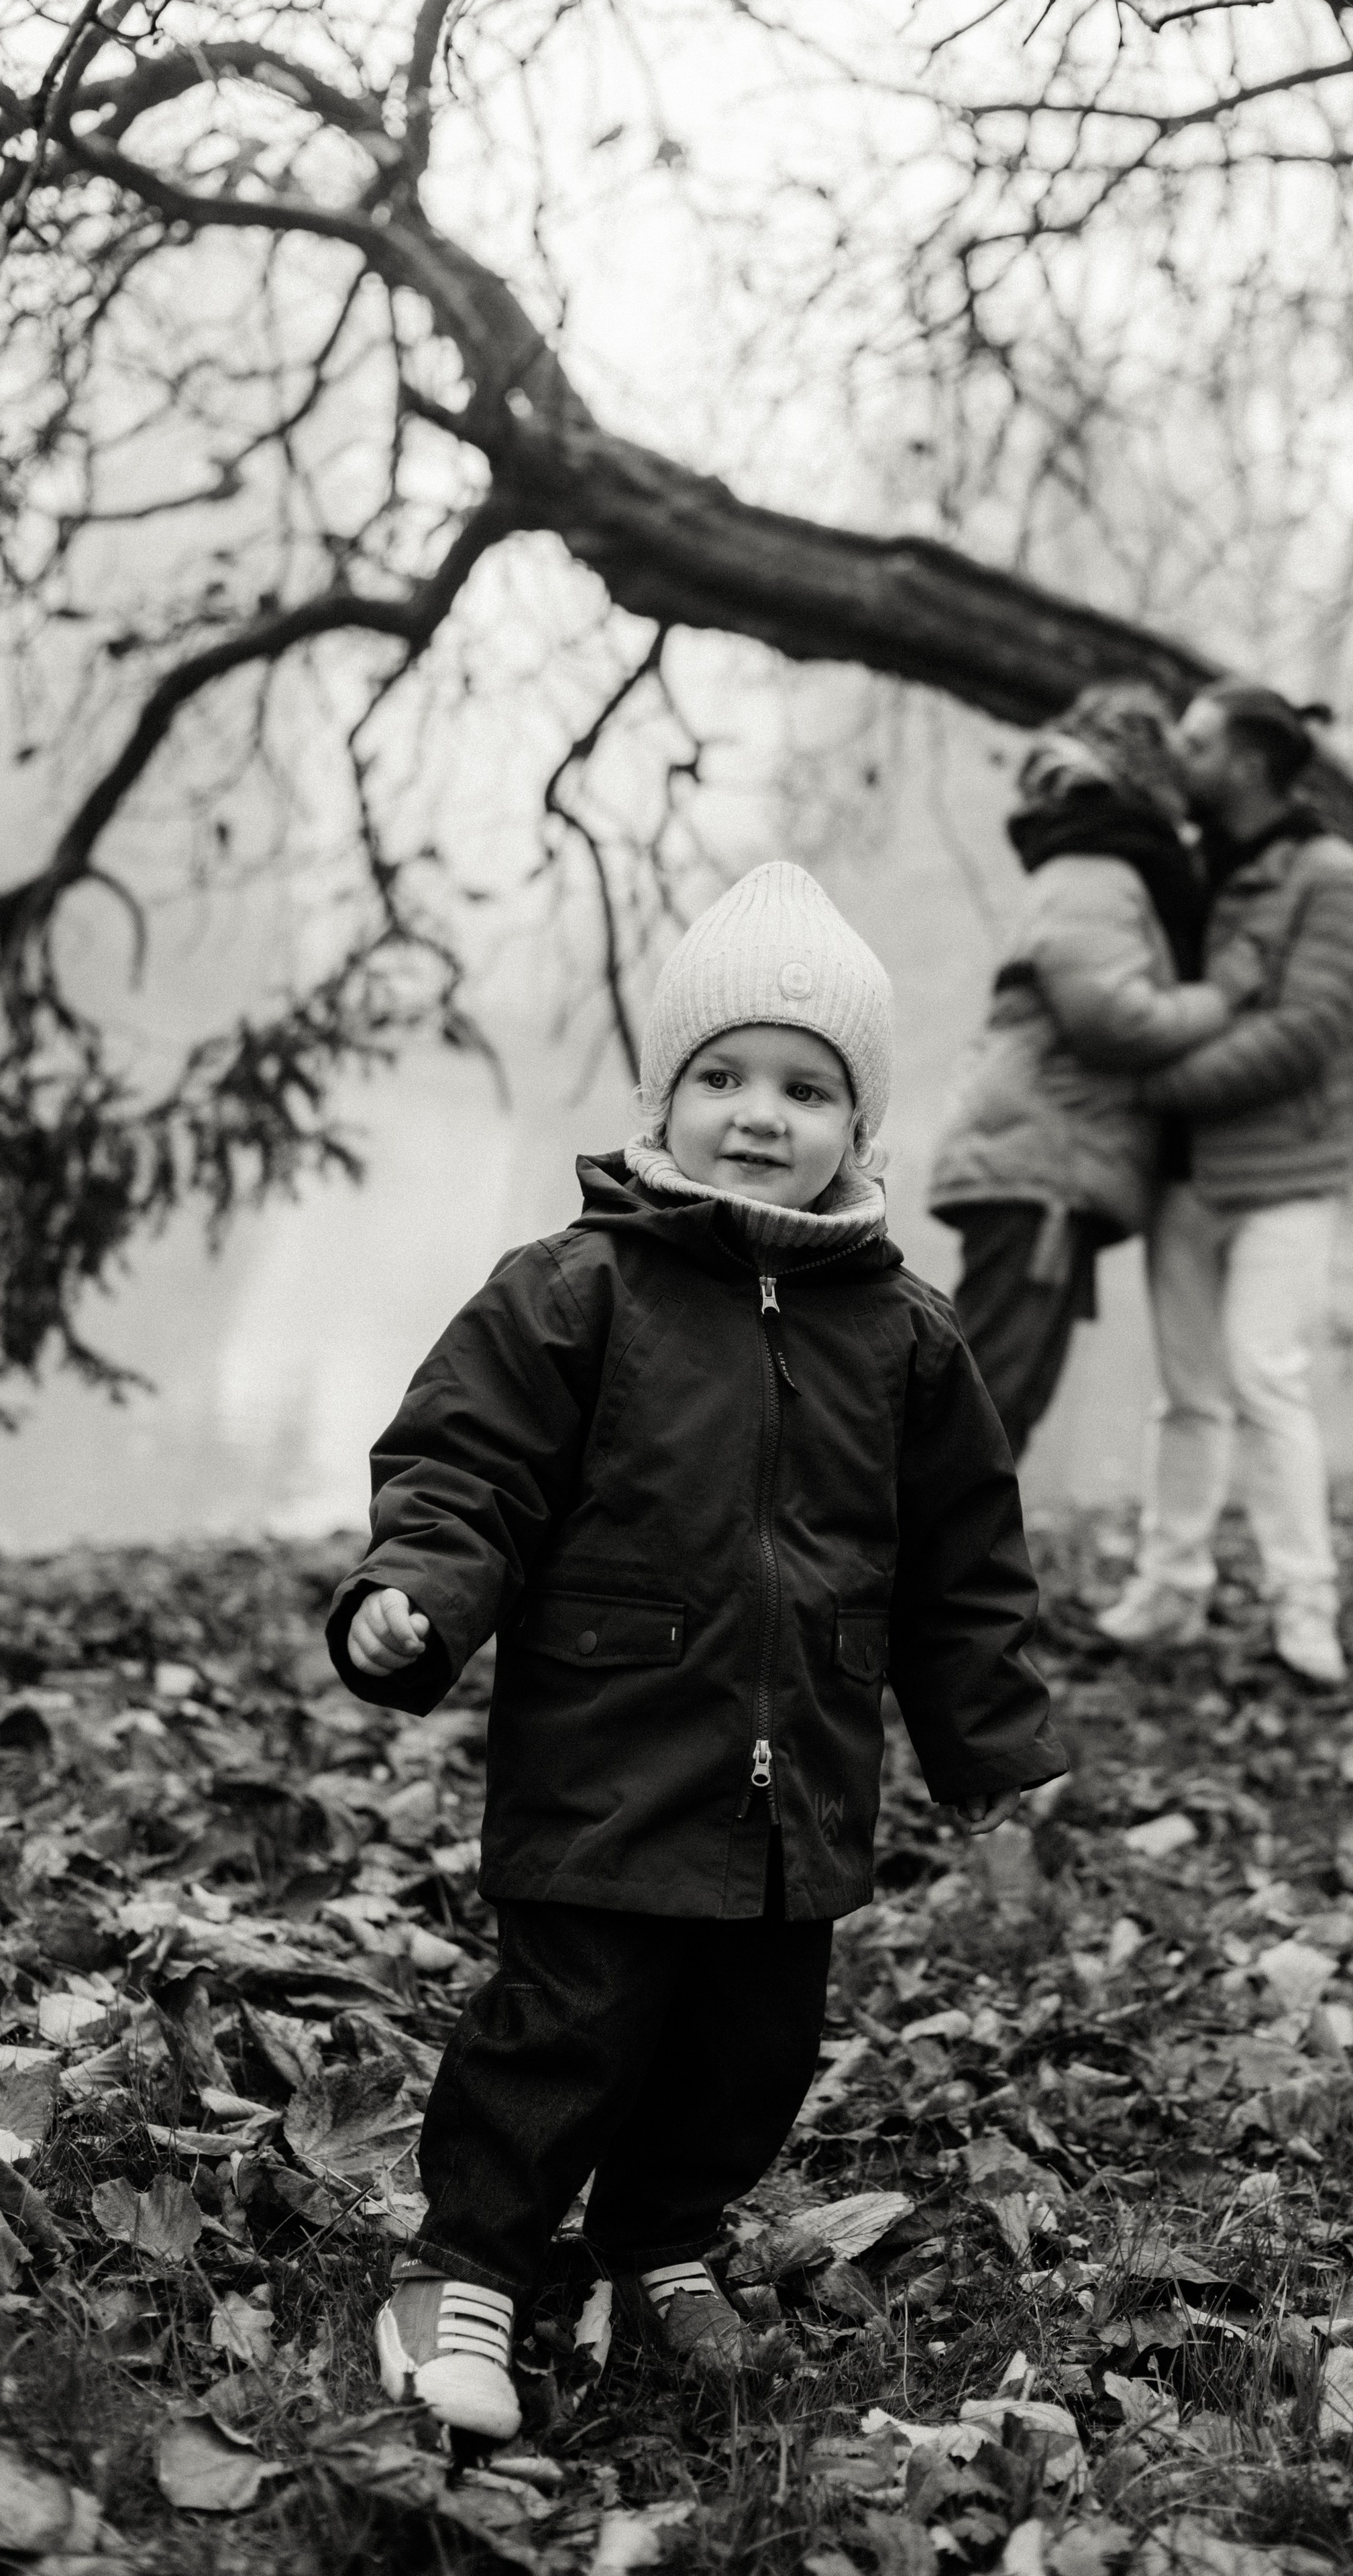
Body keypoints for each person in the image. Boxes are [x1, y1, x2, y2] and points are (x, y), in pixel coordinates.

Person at [324, 861, 1065, 2440]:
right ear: (664, 1097)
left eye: (804, 1086)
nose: (756, 1111)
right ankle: (462, 2265)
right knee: (564, 2027)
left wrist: (989, 1747)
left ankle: (657, 2239)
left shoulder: (906, 1337)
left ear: (856, 1128)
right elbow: (464, 1467)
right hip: (603, 1762)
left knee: (750, 2047)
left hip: (795, 1787)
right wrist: (420, 1597)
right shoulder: (574, 1291)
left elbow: (962, 1565)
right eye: (719, 1075)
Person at [1097, 682, 1353, 1686]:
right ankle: (1169, 1592)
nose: (1184, 749)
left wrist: (1155, 1081)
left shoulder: (1333, 876)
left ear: (1253, 763)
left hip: (1285, 1176)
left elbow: (1305, 1036)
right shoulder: (1187, 862)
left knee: (1266, 1378)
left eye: (1204, 740)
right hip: (1184, 1176)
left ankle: (1307, 1609)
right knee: (1186, 1394)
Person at [928, 682, 1262, 1458]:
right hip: (1039, 1162)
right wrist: (1222, 997)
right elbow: (1111, 1019)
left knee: (999, 1394)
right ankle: (892, 1568)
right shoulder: (1094, 871)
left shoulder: (1097, 864)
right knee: (987, 1398)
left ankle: (929, 1566)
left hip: (1043, 1160)